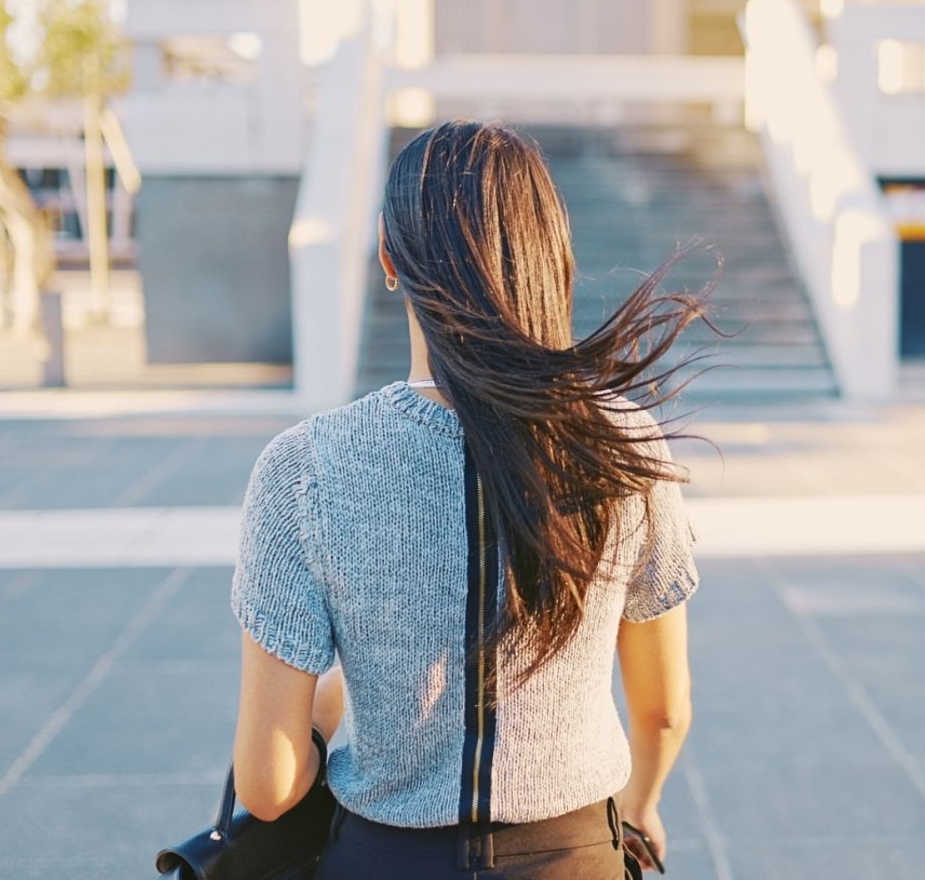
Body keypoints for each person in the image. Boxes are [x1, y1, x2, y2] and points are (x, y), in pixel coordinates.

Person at [228, 120, 707, 879]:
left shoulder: (304, 468)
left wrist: (336, 698)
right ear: (552, 253)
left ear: (389, 257)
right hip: (575, 854)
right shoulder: (624, 446)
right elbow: (664, 708)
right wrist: (641, 809)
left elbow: (269, 785)